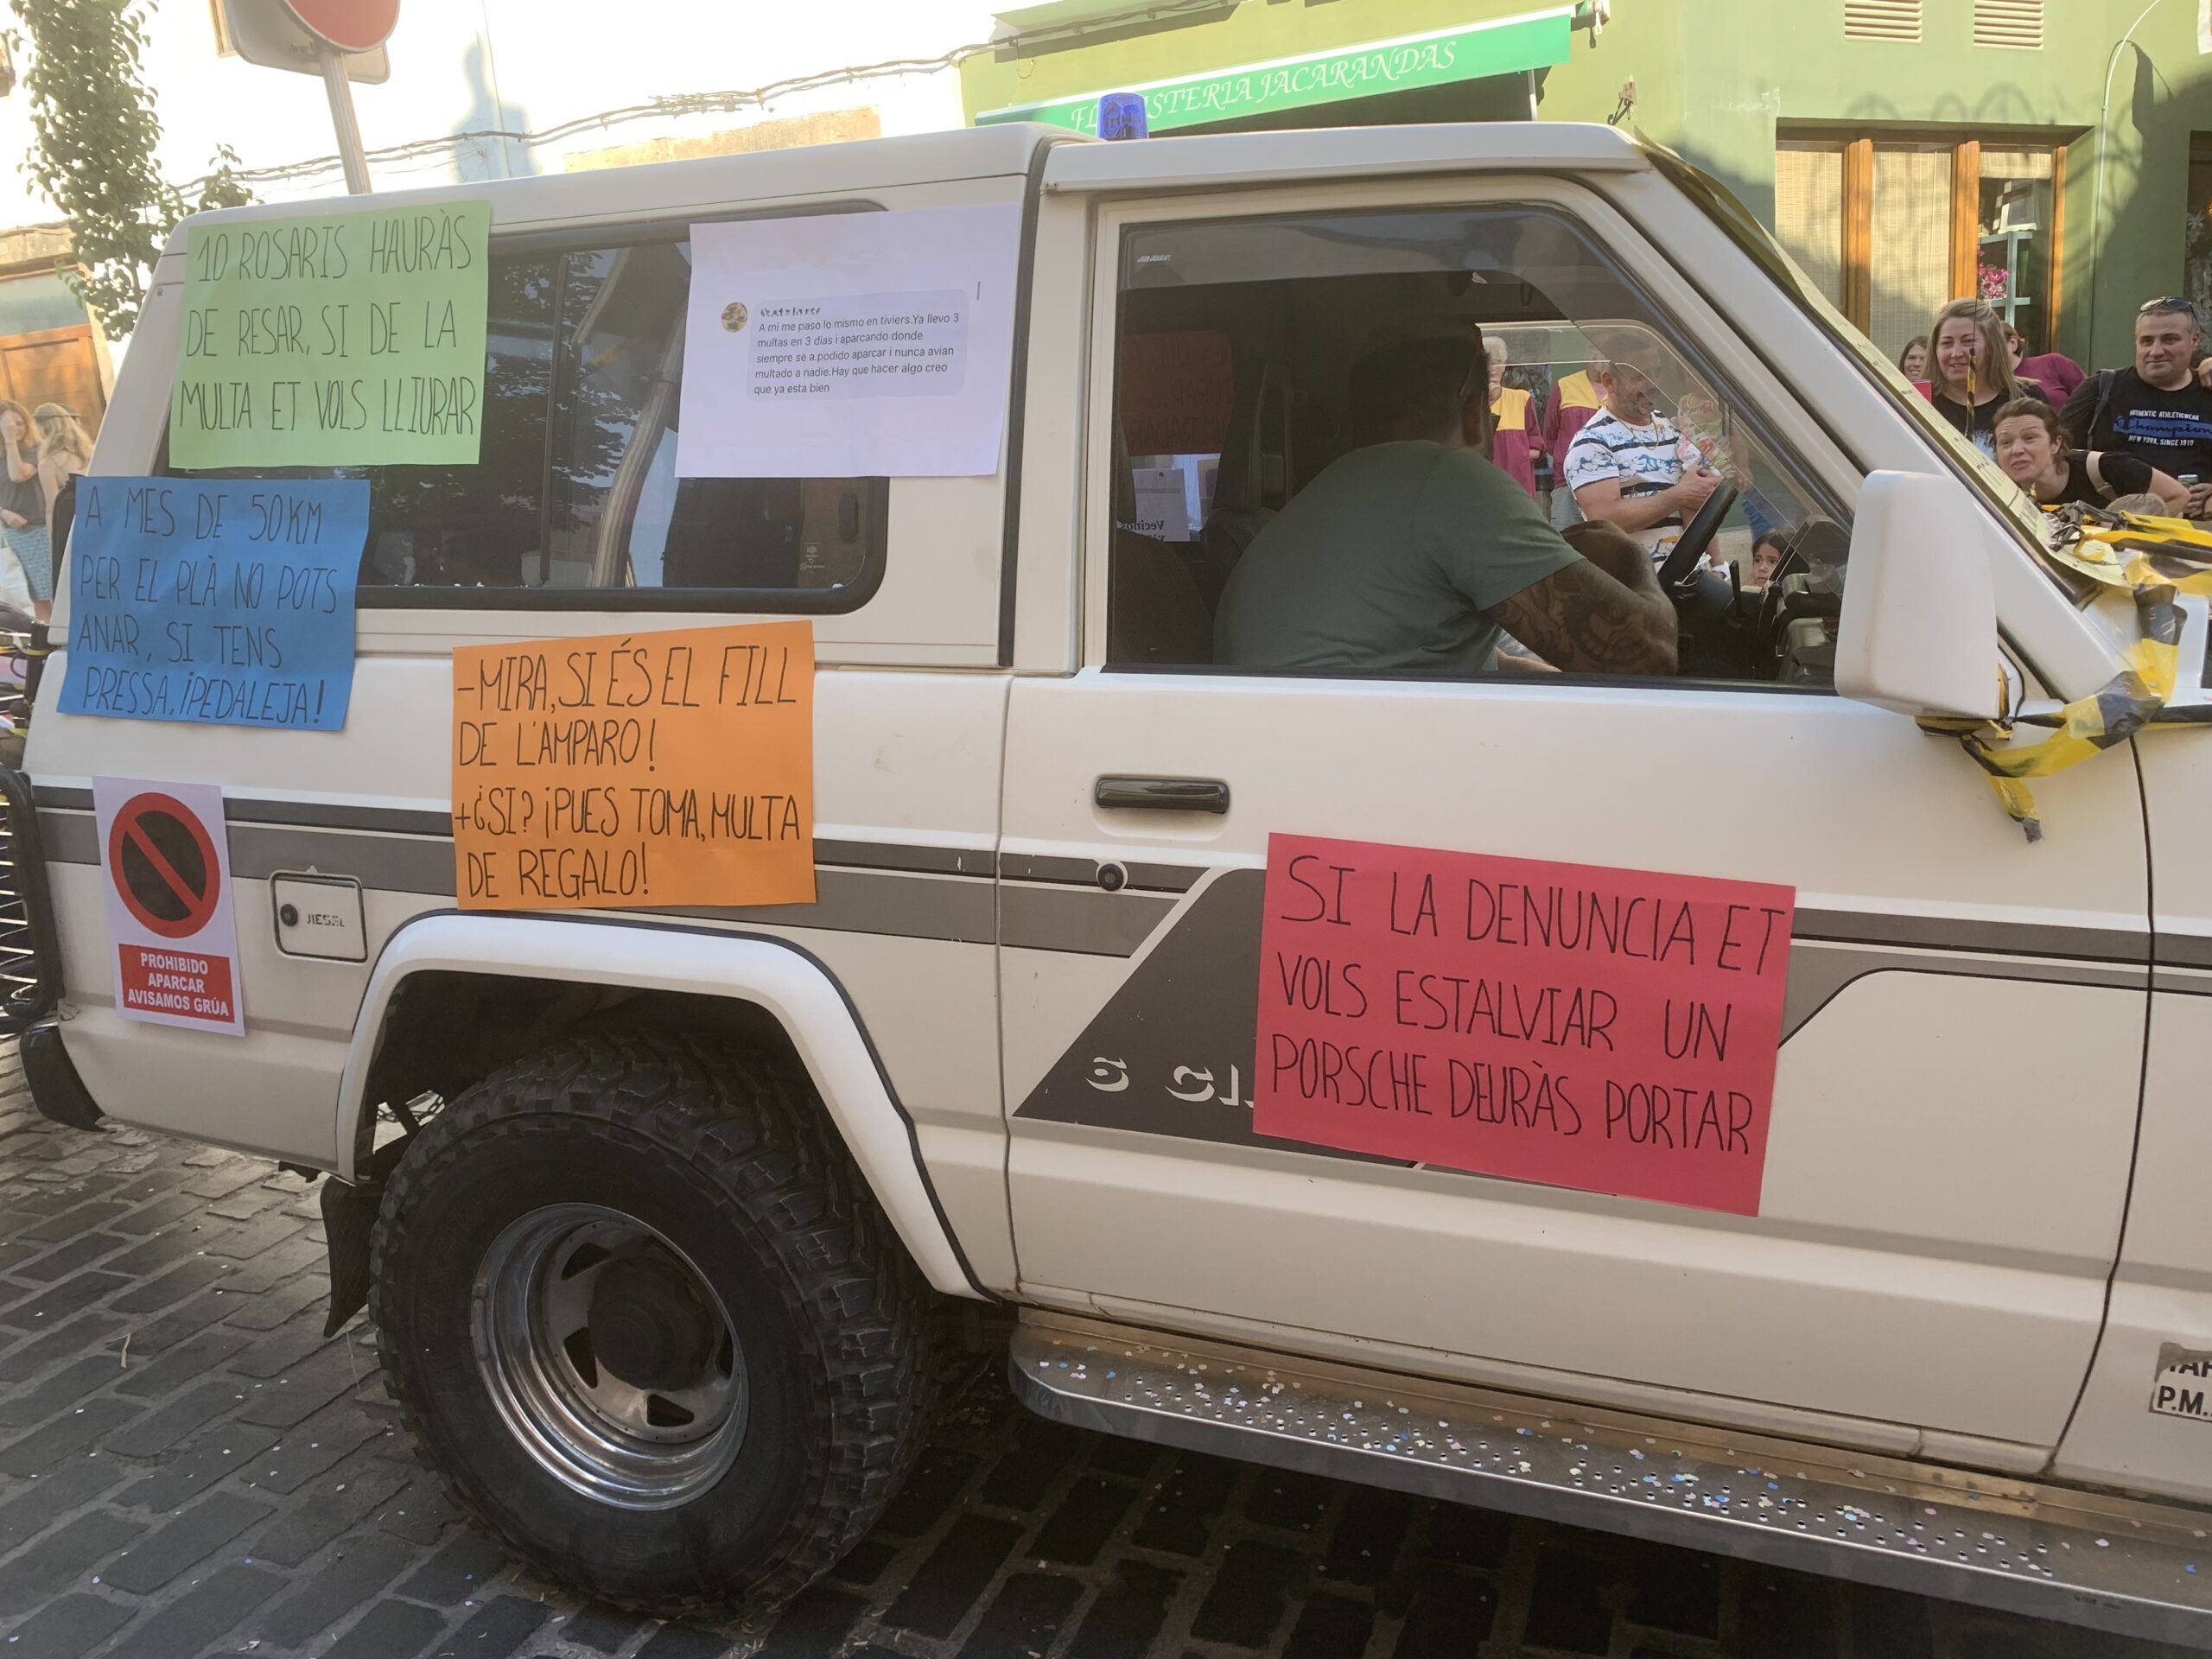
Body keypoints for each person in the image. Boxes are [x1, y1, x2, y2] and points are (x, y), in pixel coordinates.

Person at [1213, 332, 1675, 677]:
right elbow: (1648, 658)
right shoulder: (1449, 481)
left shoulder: (1340, 490)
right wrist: (1627, 554)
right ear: (1475, 410)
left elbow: (1471, 660)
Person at [1562, 338, 1723, 563]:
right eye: (1639, 376)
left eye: (1656, 373)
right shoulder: (1592, 442)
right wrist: (1679, 494)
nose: (1652, 383)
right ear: (1609, 381)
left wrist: (1719, 566)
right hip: (1638, 591)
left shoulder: (1676, 427)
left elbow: (1706, 498)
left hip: (1694, 584)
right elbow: (1604, 519)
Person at [2060, 298, 2212, 515]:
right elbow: (2057, 457)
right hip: (2109, 530)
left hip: (2194, 534)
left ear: (2194, 341)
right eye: (2147, 341)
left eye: (2169, 340)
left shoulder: (2208, 391)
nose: (2156, 351)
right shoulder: (2101, 389)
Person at [1992, 397, 2189, 512]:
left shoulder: (2104, 468)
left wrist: (2126, 535)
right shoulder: (1994, 494)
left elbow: (2179, 495)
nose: (2017, 450)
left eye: (2030, 438)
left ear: (2056, 443)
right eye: (2006, 442)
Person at [1917, 299, 2043, 458]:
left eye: (1968, 341)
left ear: (1992, 345)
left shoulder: (2026, 397)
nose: (1956, 353)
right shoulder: (1920, 401)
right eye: (1947, 343)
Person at [1541, 351, 1605, 528]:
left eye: (1603, 352)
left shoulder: (1620, 388)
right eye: (1593, 351)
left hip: (1609, 483)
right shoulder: (1565, 385)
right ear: (1585, 354)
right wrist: (1567, 461)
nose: (1598, 357)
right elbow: (1550, 436)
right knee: (1569, 541)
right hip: (1568, 483)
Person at [0, 403, 45, 605]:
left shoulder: (35, 448)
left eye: (20, 423)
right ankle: (44, 635)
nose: (16, 428)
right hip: (14, 533)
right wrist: (3, 512)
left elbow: (18, 475)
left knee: (50, 594)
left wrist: (9, 440)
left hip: (41, 529)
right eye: (9, 424)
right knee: (33, 598)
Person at [1487, 347, 1541, 500]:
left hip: (1517, 486)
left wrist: (1520, 455)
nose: (1491, 369)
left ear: (1504, 366)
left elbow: (1536, 440)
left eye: (1496, 363)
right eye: (1486, 363)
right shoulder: (1469, 402)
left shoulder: (1521, 398)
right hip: (1483, 486)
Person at [34, 404, 90, 536]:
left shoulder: (48, 463)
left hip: (73, 524)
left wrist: (53, 539)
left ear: (41, 428)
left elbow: (53, 508)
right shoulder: (90, 452)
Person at [2005, 323, 2086, 404]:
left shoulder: (2052, 363)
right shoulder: (1994, 385)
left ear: (2013, 342)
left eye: (1995, 343)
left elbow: (2090, 395)